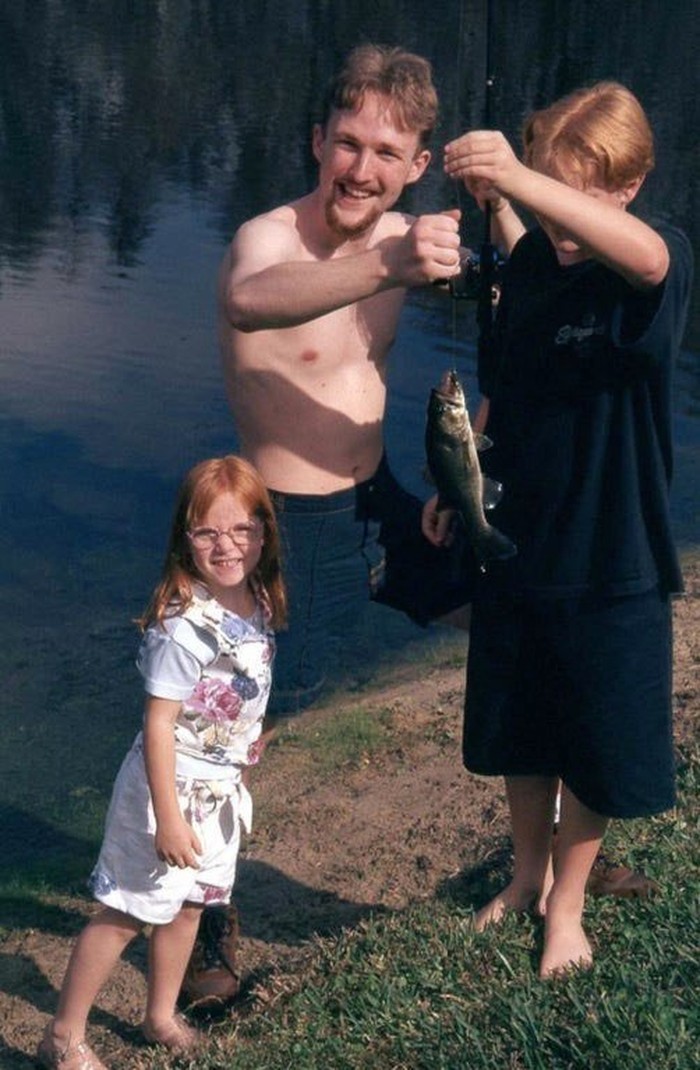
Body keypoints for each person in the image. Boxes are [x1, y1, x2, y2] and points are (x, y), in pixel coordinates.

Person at [444, 82, 693, 977]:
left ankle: (569, 904)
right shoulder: (531, 265)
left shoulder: (654, 264)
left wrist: (521, 179)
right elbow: (506, 384)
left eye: (575, 195)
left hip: (613, 552)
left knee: (594, 736)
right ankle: (527, 875)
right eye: (547, 191)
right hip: (520, 541)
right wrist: (461, 474)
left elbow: (651, 259)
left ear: (629, 188)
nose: (558, 217)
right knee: (524, 723)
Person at [217, 43, 523, 715]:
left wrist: (502, 203)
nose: (361, 171)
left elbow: (529, 291)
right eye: (348, 145)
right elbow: (247, 299)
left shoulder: (407, 237)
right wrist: (390, 268)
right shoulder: (266, 238)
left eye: (386, 153)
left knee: (508, 610)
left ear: (417, 167)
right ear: (318, 142)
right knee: (271, 709)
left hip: (382, 501)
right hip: (290, 521)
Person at [37, 456, 286, 1069]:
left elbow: (242, 688)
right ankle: (63, 1037)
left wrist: (245, 749)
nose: (226, 546)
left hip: (219, 790)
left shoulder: (256, 600)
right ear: (184, 538)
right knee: (126, 910)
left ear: (264, 532)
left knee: (191, 904)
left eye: (242, 529)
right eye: (207, 532)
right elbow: (158, 725)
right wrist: (168, 819)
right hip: (167, 791)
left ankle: (160, 1014)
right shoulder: (182, 628)